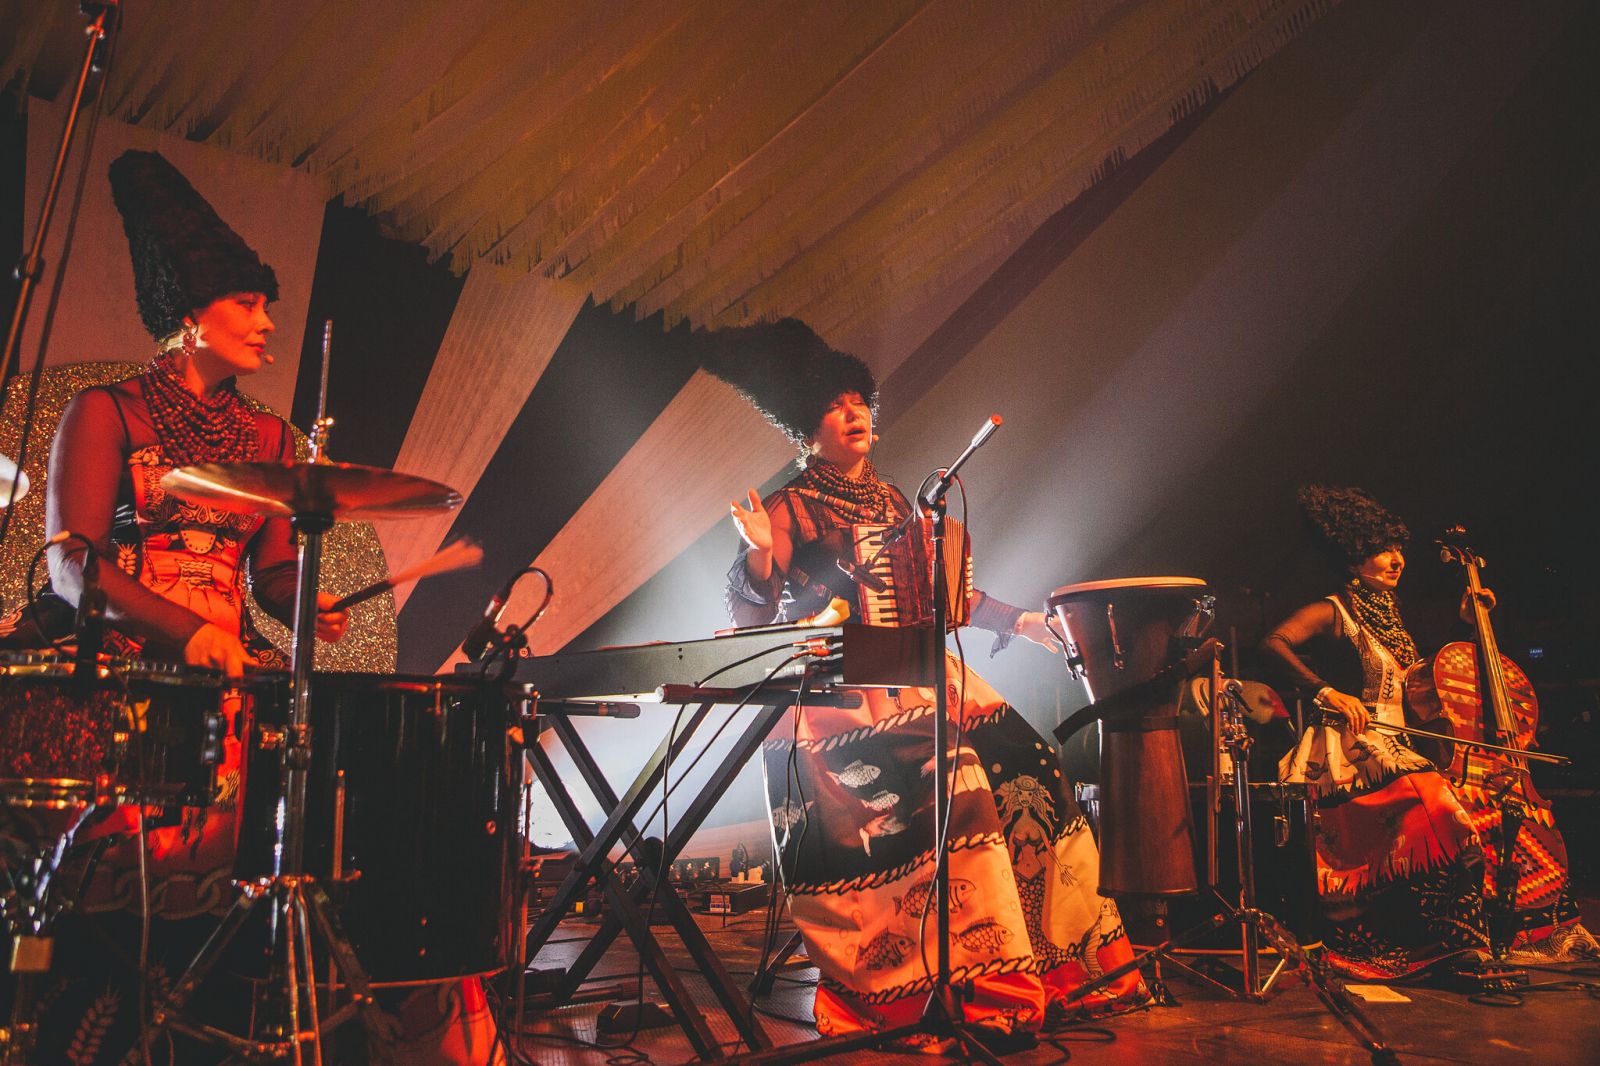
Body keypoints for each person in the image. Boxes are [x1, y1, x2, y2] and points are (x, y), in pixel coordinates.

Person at [706, 321, 1147, 1051]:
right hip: (840, 689)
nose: (855, 414)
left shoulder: (900, 505)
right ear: (807, 429)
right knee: (958, 778)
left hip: (923, 672)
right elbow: (747, 616)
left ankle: (1061, 968)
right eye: (836, 405)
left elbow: (950, 602)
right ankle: (961, 981)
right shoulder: (788, 507)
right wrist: (756, 557)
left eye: (860, 401)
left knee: (1031, 768)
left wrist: (1029, 622)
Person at [1258, 484, 1600, 981]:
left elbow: (1426, 683)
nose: (1397, 559)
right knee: (1440, 807)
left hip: (1399, 743)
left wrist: (1470, 621)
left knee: (1477, 810)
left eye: (1398, 549)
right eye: (1383, 550)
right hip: (1348, 746)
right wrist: (1326, 692)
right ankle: (1445, 946)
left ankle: (1516, 931)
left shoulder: (1395, 618)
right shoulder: (1332, 610)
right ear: (1354, 559)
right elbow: (1273, 643)